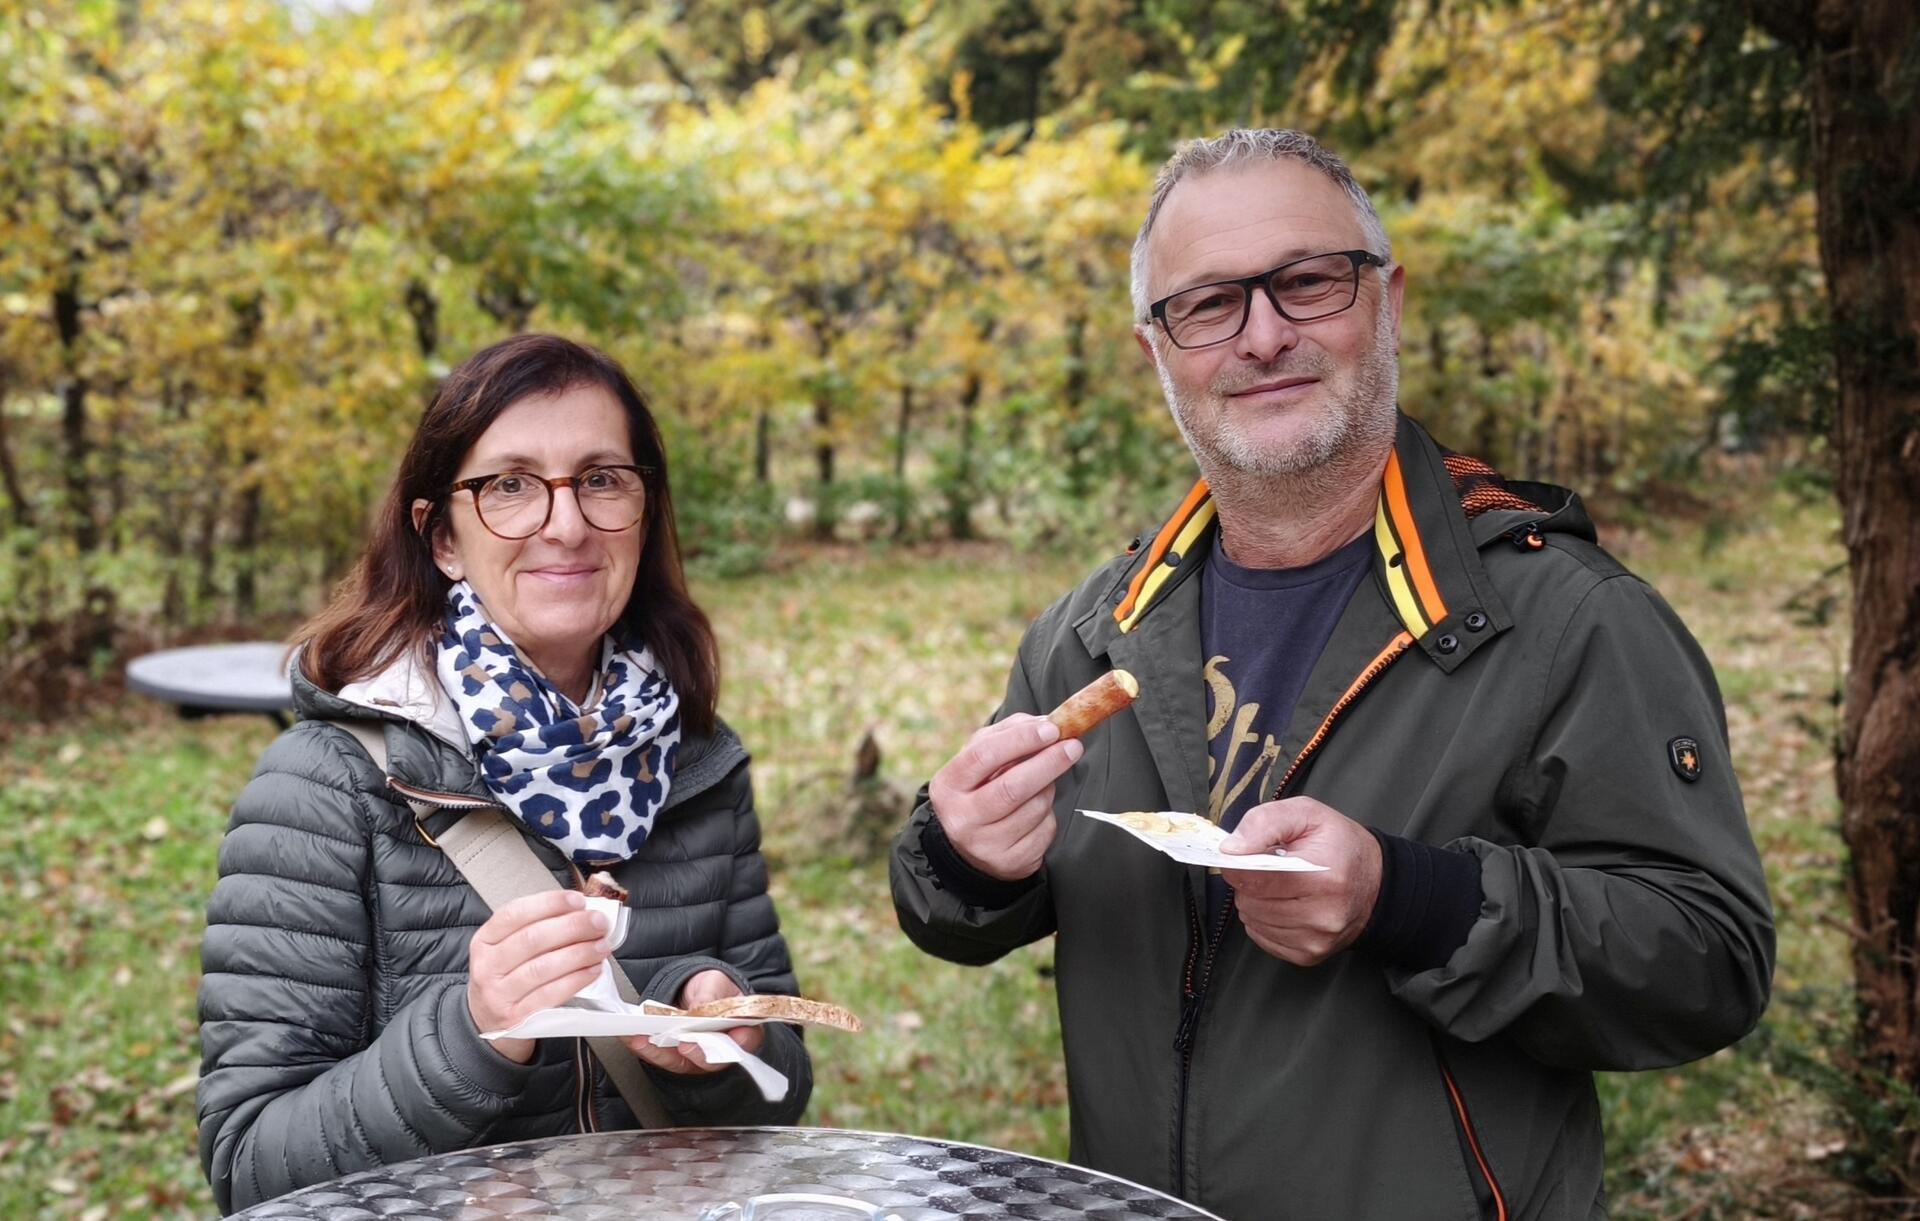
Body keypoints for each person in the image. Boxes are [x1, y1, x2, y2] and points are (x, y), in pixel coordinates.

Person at [890, 129, 1774, 1220]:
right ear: (1155, 349)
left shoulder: (1565, 620)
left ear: (1386, 299)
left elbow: (1711, 961)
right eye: (1209, 305)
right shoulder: (1094, 631)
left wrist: (1409, 901)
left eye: (1307, 283)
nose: (1262, 336)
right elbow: (955, 918)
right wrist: (963, 854)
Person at [198, 334, 811, 1214]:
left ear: (643, 510)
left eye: (601, 478)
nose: (566, 523)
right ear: (443, 537)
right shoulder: (323, 784)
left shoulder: (696, 762)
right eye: (510, 486)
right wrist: (476, 1031)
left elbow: (781, 1101)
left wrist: (715, 1037)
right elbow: (249, 1165)